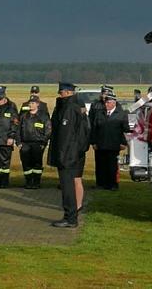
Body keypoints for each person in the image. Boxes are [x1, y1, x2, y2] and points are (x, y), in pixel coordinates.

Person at [48, 82, 92, 228]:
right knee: (69, 185)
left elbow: (65, 136)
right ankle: (70, 216)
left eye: (61, 93)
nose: (59, 95)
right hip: (73, 153)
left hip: (67, 154)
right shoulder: (75, 107)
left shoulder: (69, 109)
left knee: (67, 187)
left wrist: (62, 155)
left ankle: (70, 218)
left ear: (67, 92)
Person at [91, 89, 130, 191]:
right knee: (100, 166)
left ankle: (112, 185)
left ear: (114, 103)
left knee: (112, 166)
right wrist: (93, 142)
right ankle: (100, 184)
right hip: (100, 144)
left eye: (108, 102)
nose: (106, 104)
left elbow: (125, 130)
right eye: (106, 102)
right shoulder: (100, 114)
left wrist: (123, 143)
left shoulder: (121, 114)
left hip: (114, 144)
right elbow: (94, 128)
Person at [16, 93, 51, 189]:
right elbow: (18, 130)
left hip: (38, 144)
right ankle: (28, 181)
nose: (31, 105)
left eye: (33, 103)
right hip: (25, 144)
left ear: (38, 104)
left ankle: (36, 182)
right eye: (30, 103)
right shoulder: (23, 116)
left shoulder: (43, 116)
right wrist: (18, 143)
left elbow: (48, 131)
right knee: (26, 163)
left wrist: (43, 143)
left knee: (37, 164)